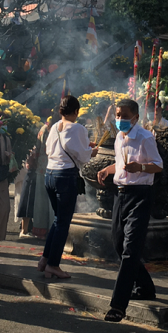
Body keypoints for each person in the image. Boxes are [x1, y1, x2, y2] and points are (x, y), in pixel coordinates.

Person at [96, 99, 163, 323]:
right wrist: (107, 169)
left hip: (141, 195)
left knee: (130, 249)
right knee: (118, 242)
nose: (120, 120)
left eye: (124, 116)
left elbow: (158, 164)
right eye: (117, 115)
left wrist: (140, 167)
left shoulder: (144, 137)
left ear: (135, 117)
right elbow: (120, 162)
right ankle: (145, 286)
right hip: (120, 194)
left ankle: (118, 305)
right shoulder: (119, 137)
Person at [39, 96, 97, 279]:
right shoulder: (78, 128)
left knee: (58, 220)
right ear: (76, 112)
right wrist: (92, 151)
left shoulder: (55, 126)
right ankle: (53, 265)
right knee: (63, 223)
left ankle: (45, 259)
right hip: (65, 177)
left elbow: (50, 150)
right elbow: (83, 156)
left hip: (50, 175)